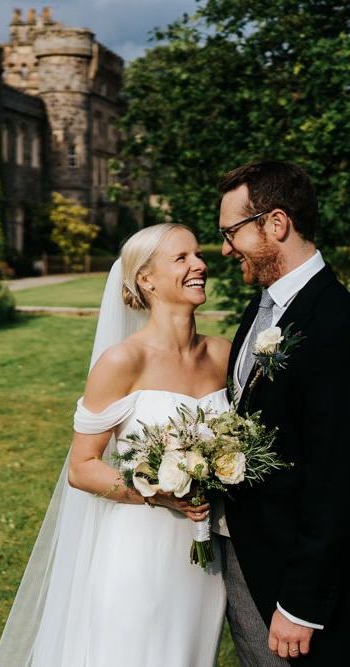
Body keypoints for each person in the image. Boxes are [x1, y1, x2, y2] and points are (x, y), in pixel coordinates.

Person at [0, 223, 230, 666]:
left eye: (197, 255)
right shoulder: (124, 360)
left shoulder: (223, 354)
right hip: (139, 550)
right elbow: (82, 467)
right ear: (146, 279)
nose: (200, 265)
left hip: (204, 556)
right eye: (181, 258)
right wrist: (154, 493)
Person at [218, 161, 350, 665]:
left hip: (299, 587)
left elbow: (336, 478)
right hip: (253, 559)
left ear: (275, 224)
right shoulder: (260, 310)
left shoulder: (336, 323)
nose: (226, 249)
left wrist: (301, 604)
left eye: (231, 232)